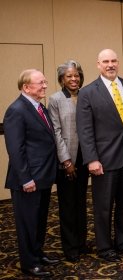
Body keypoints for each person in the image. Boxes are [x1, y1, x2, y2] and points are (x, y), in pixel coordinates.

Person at [76, 49, 123, 262]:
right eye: (105, 61)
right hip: (103, 160)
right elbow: (85, 130)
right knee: (104, 206)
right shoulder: (88, 92)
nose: (110, 65)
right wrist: (91, 159)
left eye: (114, 61)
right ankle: (105, 247)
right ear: (98, 64)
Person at [3, 69, 60, 277]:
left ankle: (38, 253)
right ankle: (29, 262)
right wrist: (26, 178)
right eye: (41, 83)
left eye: (45, 82)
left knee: (39, 220)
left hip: (42, 176)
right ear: (26, 87)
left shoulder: (39, 107)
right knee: (27, 223)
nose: (45, 85)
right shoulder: (16, 110)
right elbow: (15, 150)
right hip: (27, 179)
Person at [48, 60, 91, 262]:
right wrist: (66, 161)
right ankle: (70, 247)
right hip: (67, 159)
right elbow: (56, 132)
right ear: (62, 79)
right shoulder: (55, 99)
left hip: (86, 158)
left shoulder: (86, 95)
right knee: (67, 205)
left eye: (76, 75)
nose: (74, 79)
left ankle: (82, 243)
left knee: (82, 202)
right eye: (69, 76)